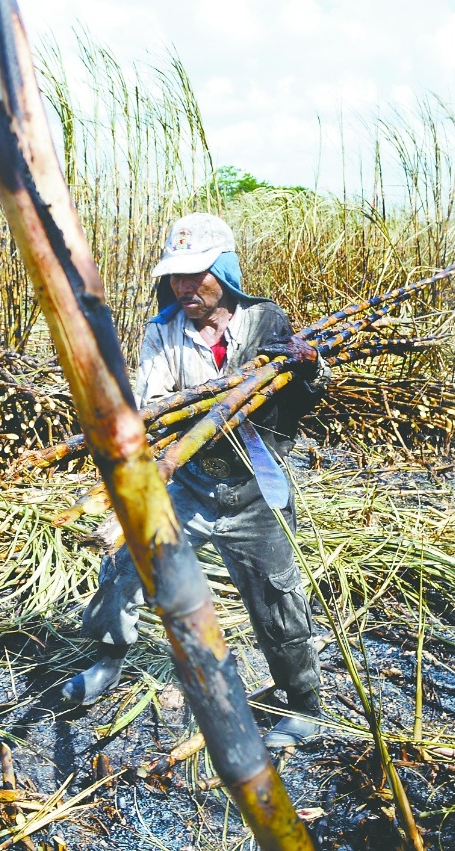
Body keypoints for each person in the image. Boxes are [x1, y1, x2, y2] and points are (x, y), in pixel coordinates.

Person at [59, 213, 332, 749]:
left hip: (256, 489)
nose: (183, 286)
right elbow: (153, 408)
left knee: (276, 596)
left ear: (224, 271)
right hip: (191, 479)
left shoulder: (264, 319)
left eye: (196, 275)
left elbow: (301, 401)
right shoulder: (163, 331)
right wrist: (199, 409)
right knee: (125, 561)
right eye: (176, 276)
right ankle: (109, 659)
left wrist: (309, 368)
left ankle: (302, 705)